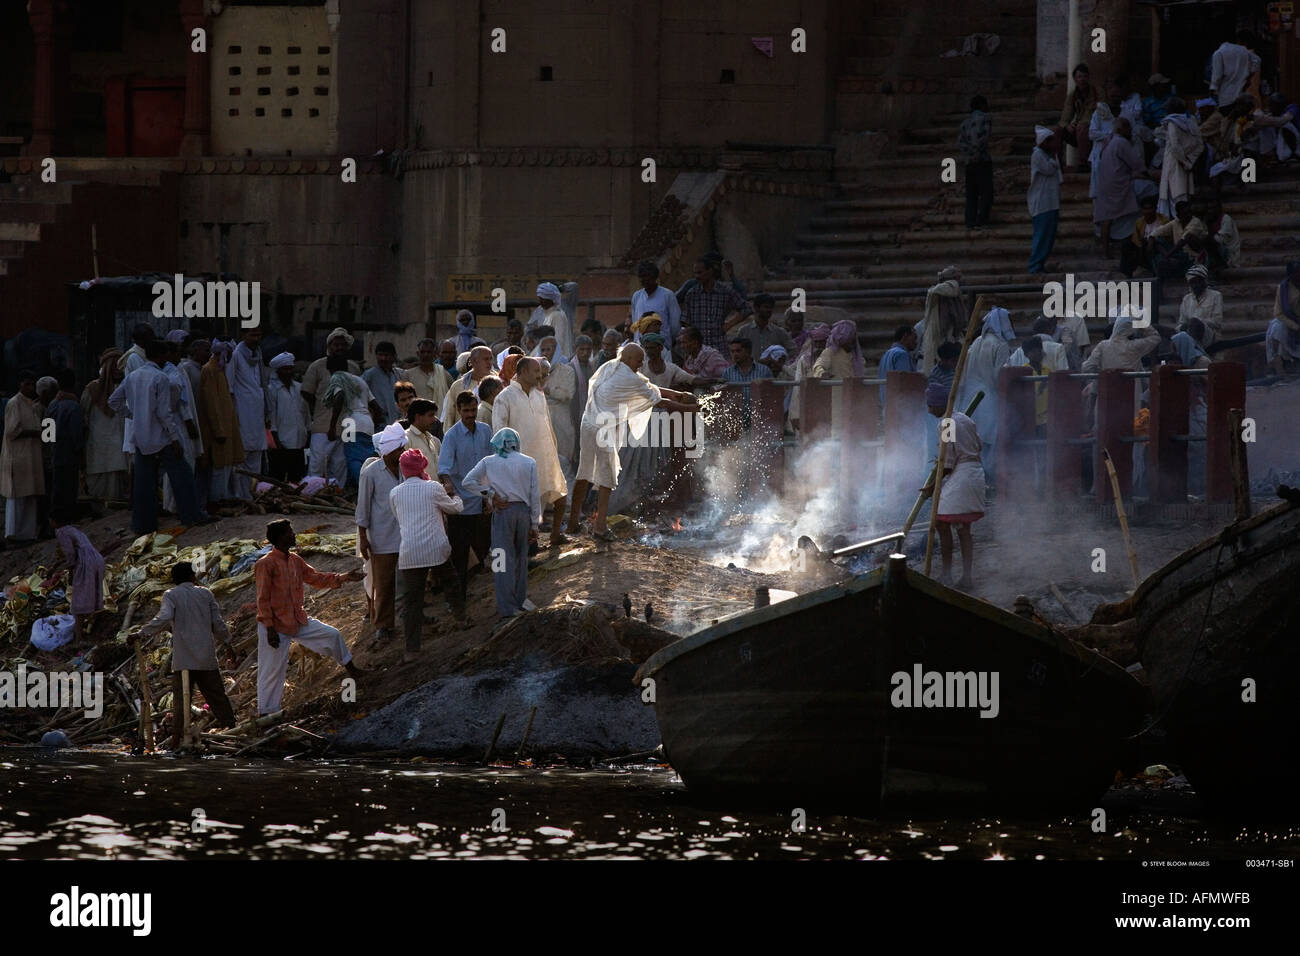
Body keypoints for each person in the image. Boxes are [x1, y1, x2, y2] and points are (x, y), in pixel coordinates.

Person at [568, 344, 695, 541]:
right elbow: (658, 400)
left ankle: (572, 523)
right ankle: (600, 527)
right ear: (628, 359)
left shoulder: (611, 366)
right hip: (603, 429)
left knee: (584, 474)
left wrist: (677, 394)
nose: (641, 364)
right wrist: (690, 409)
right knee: (606, 479)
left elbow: (649, 387)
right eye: (639, 360)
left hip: (589, 422)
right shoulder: (626, 377)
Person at [254, 519, 364, 715]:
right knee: (271, 671)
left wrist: (345, 577)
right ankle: (267, 713)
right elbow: (263, 598)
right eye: (290, 532)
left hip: (297, 619)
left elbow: (316, 578)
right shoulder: (266, 564)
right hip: (275, 625)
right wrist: (270, 628)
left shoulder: (295, 560)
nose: (294, 535)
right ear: (280, 538)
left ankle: (353, 671)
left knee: (332, 635)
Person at [131, 561, 238, 747]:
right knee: (217, 697)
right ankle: (232, 731)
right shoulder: (205, 594)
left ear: (174, 580)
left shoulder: (171, 595)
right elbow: (218, 624)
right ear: (192, 576)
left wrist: (141, 633)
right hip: (205, 657)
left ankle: (176, 740)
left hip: (183, 660)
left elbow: (163, 618)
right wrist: (228, 643)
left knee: (181, 702)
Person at [109, 340, 208, 534]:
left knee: (144, 483)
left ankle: (143, 525)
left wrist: (135, 415)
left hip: (141, 436)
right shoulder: (160, 377)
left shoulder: (133, 377)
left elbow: (114, 401)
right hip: (162, 436)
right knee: (183, 475)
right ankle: (191, 515)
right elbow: (164, 413)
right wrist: (175, 438)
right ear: (161, 355)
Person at [389, 447, 464, 655]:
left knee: (412, 603)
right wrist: (454, 495)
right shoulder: (433, 488)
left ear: (404, 470)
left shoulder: (395, 493)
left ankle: (412, 650)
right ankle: (461, 619)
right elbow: (455, 509)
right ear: (422, 466)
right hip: (435, 548)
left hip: (410, 552)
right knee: (451, 582)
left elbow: (400, 518)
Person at [462, 428, 540, 618]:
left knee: (500, 560)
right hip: (523, 512)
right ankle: (520, 600)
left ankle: (507, 607)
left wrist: (490, 494)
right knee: (521, 558)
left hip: (502, 512)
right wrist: (535, 524)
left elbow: (467, 482)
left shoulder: (488, 462)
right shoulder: (529, 462)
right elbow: (534, 495)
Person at [494, 356, 569, 549]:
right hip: (520, 463)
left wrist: (553, 450)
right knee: (525, 506)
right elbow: (499, 433)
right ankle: (526, 550)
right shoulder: (505, 397)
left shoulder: (539, 394)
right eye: (536, 371)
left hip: (545, 458)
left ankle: (554, 535)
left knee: (559, 496)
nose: (540, 375)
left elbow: (548, 426)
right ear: (523, 372)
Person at [925, 378, 985, 590]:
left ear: (940, 404)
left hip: (962, 475)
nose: (929, 408)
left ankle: (947, 574)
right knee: (963, 528)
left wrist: (933, 487)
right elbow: (979, 445)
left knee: (941, 522)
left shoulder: (946, 423)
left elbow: (947, 462)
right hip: (976, 472)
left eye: (930, 404)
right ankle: (966, 576)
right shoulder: (965, 419)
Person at [355, 423, 407, 643]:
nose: (402, 453)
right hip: (382, 537)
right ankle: (384, 626)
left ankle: (411, 618)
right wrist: (364, 539)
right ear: (388, 451)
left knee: (407, 582)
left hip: (406, 535)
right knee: (383, 584)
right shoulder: (371, 473)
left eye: (402, 449)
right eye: (398, 450)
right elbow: (363, 508)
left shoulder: (407, 467)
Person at [955, 310, 1009, 484]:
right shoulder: (1001, 344)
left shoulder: (976, 342)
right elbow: (998, 376)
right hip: (989, 399)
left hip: (970, 398)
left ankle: (973, 479)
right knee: (988, 444)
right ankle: (986, 480)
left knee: (973, 440)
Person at [302, 328, 360, 485]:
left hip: (348, 425)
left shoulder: (353, 368)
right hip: (322, 425)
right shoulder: (317, 366)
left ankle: (336, 497)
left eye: (343, 345)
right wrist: (320, 409)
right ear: (329, 346)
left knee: (340, 466)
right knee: (317, 465)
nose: (339, 348)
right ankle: (311, 496)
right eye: (336, 344)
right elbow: (306, 392)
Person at [322, 354, 385, 488]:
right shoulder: (360, 380)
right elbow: (377, 408)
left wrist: (332, 426)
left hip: (350, 423)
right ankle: (364, 486)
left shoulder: (337, 378)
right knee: (367, 459)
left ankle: (364, 486)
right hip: (368, 422)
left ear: (330, 368)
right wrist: (374, 421)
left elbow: (339, 397)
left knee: (353, 458)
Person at [1093, 116, 1150, 259]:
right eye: (1128, 128)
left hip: (1106, 184)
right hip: (1119, 185)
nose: (1130, 131)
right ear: (1121, 129)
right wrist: (1146, 174)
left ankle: (1106, 252)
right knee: (1148, 194)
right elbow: (1136, 163)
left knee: (1107, 218)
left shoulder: (1109, 141)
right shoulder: (1121, 142)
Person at [162, 332, 204, 512]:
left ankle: (177, 505)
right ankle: (176, 506)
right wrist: (188, 422)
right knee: (182, 465)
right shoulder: (172, 372)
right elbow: (181, 402)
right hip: (180, 425)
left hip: (183, 423)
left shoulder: (178, 369)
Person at [198, 341, 245, 502]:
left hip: (227, 426)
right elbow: (211, 403)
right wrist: (219, 430)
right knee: (219, 467)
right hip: (218, 430)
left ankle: (227, 498)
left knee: (228, 467)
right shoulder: (209, 370)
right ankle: (217, 501)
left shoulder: (219, 370)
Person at [81, 348, 129, 501]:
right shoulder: (92, 388)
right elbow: (84, 413)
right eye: (114, 365)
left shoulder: (126, 387)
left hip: (121, 439)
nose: (117, 369)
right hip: (98, 441)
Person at [49, 511, 104, 643]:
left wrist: (71, 573)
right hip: (96, 560)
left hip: (85, 563)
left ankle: (78, 640)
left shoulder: (61, 532)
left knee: (78, 603)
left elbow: (70, 554)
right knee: (88, 597)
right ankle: (83, 633)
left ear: (55, 522)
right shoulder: (73, 530)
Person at [226, 326, 268, 498]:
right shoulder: (235, 356)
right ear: (243, 335)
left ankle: (251, 495)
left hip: (257, 414)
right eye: (252, 334)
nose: (256, 338)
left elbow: (262, 385)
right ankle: (239, 495)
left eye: (258, 334)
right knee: (241, 457)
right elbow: (229, 387)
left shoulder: (257, 354)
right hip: (242, 412)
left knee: (255, 455)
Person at [680, 257, 752, 351]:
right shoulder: (692, 294)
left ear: (710, 271)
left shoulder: (724, 291)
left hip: (719, 346)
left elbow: (746, 308)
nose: (697, 276)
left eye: (700, 272)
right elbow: (686, 321)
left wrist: (729, 324)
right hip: (699, 349)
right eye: (695, 273)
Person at [265, 352, 310, 482]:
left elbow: (305, 413)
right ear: (278, 371)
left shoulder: (299, 388)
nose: (288, 372)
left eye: (290, 368)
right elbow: (271, 417)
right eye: (285, 369)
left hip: (299, 441)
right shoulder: (272, 390)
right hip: (281, 442)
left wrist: (307, 433)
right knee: (277, 477)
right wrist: (276, 441)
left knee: (296, 478)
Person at [46, 368, 83, 516]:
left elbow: (46, 435)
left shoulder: (52, 405)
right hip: (69, 456)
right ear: (73, 384)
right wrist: (80, 452)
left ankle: (56, 518)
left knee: (57, 489)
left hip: (55, 454)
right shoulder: (74, 406)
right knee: (69, 489)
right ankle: (67, 518)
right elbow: (77, 436)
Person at [538, 336, 577, 474]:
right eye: (542, 349)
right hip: (541, 418)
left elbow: (567, 395)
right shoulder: (535, 371)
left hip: (561, 420)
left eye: (549, 349)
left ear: (557, 351)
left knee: (563, 465)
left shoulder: (567, 371)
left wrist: (548, 390)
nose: (545, 353)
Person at [1158, 99, 1203, 218]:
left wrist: (1184, 161)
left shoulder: (1172, 123)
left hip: (1174, 163)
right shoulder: (1191, 121)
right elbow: (1199, 145)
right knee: (1183, 194)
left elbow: (1175, 146)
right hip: (1186, 163)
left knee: (1176, 197)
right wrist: (1189, 161)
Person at [1028, 126, 1062, 274]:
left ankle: (1040, 264)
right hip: (1042, 203)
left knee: (1048, 236)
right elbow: (1049, 169)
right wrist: (1054, 159)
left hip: (1051, 202)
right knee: (1042, 236)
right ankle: (1035, 266)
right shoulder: (1038, 155)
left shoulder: (1047, 155)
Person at [920, 266, 967, 371]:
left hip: (952, 337)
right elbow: (951, 289)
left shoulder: (952, 299)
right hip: (937, 337)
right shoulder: (935, 293)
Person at [440, 345, 495, 432]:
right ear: (474, 361)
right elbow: (449, 417)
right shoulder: (458, 386)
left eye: (490, 359)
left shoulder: (498, 384)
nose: (489, 363)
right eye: (485, 359)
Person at [958, 95, 993, 229]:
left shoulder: (964, 123)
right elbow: (983, 138)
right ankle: (981, 220)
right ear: (982, 106)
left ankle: (970, 221)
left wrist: (970, 155)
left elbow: (960, 143)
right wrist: (978, 153)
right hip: (982, 160)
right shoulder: (986, 119)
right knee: (986, 192)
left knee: (971, 194)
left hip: (970, 163)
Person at [788, 323, 830, 432]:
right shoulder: (804, 360)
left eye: (823, 342)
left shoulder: (833, 359)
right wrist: (796, 415)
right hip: (809, 407)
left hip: (830, 407)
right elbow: (798, 388)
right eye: (817, 342)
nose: (820, 345)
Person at [630, 260, 682, 348]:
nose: (644, 280)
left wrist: (668, 341)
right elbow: (635, 321)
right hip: (641, 347)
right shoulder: (637, 296)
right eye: (641, 277)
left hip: (662, 346)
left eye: (647, 276)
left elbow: (675, 326)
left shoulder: (668, 295)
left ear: (655, 277)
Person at [1057, 63, 1099, 172]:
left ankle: (1083, 164)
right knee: (1058, 130)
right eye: (1079, 77)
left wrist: (1079, 124)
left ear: (1088, 77)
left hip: (1095, 128)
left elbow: (1092, 114)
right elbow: (1065, 116)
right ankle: (1057, 164)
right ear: (1075, 79)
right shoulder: (1073, 95)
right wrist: (1067, 126)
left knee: (1082, 127)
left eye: (1085, 76)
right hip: (1080, 129)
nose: (1082, 80)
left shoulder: (1097, 93)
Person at [1211, 32, 1260, 114]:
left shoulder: (1220, 53)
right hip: (1240, 94)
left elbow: (1217, 77)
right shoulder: (1243, 53)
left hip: (1231, 96)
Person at [1121, 195, 1169, 278]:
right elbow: (1136, 240)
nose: (1148, 211)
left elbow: (1167, 238)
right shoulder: (1139, 222)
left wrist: (1151, 241)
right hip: (1143, 249)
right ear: (1142, 210)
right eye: (1145, 209)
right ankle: (1127, 274)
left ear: (1155, 208)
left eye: (1150, 208)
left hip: (1158, 248)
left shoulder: (1163, 220)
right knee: (1127, 245)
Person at [362, 341, 407, 427]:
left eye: (386, 355)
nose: (383, 358)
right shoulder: (369, 375)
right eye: (380, 355)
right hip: (378, 424)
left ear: (393, 357)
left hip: (396, 423)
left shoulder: (397, 374)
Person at [1178, 264, 1224, 346]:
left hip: (1209, 335)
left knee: (1194, 323)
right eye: (1192, 283)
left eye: (1198, 282)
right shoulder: (1186, 299)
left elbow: (1217, 322)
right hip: (1188, 333)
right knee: (1158, 329)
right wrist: (1182, 327)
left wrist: (1198, 322)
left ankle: (1192, 351)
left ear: (1204, 281)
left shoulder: (1216, 295)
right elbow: (1181, 322)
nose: (1195, 285)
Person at [1266, 263, 1300, 375]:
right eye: (1296, 274)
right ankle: (1279, 363)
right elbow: (1278, 313)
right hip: (1291, 321)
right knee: (1276, 327)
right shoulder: (1283, 289)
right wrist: (1296, 327)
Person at [528, 282, 574, 359]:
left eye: (543, 299)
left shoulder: (558, 315)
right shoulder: (548, 316)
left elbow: (558, 342)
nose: (541, 302)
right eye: (540, 299)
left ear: (552, 299)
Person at [877, 325, 917, 406]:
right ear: (905, 336)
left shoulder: (886, 354)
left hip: (887, 403)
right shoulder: (902, 354)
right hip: (899, 405)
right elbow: (905, 382)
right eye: (914, 338)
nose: (916, 342)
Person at [409, 337, 453, 408]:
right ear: (418, 353)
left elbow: (452, 395)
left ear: (435, 354)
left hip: (438, 416)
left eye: (429, 352)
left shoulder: (443, 373)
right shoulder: (409, 375)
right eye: (423, 352)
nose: (426, 355)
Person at [1205, 197, 1241, 271]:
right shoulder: (1211, 220)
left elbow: (1220, 240)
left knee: (1210, 243)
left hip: (1229, 253)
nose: (1210, 211)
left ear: (1219, 208)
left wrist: (1209, 226)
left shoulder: (1226, 219)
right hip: (1218, 251)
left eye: (1213, 208)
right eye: (1209, 209)